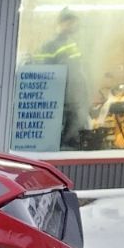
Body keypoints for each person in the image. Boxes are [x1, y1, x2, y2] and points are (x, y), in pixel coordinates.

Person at [36, 9, 89, 148]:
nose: (73, 26)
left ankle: (69, 143)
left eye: (74, 23)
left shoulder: (72, 44)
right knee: (60, 131)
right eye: (70, 22)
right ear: (61, 23)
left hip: (74, 96)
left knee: (73, 127)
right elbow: (44, 73)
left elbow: (77, 69)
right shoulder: (50, 45)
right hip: (61, 98)